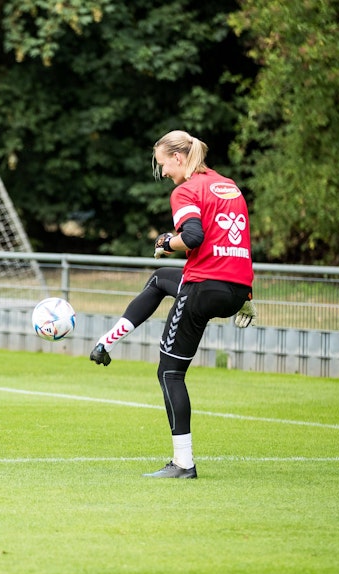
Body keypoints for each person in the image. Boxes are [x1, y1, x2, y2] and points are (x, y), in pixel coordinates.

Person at [89, 130, 256, 478]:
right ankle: (107, 341)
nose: (163, 172)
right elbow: (236, 242)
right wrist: (246, 298)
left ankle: (183, 464)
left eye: (163, 164)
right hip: (236, 290)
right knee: (161, 278)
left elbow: (193, 237)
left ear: (178, 158)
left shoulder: (186, 190)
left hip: (204, 287)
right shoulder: (229, 186)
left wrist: (167, 242)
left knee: (169, 372)